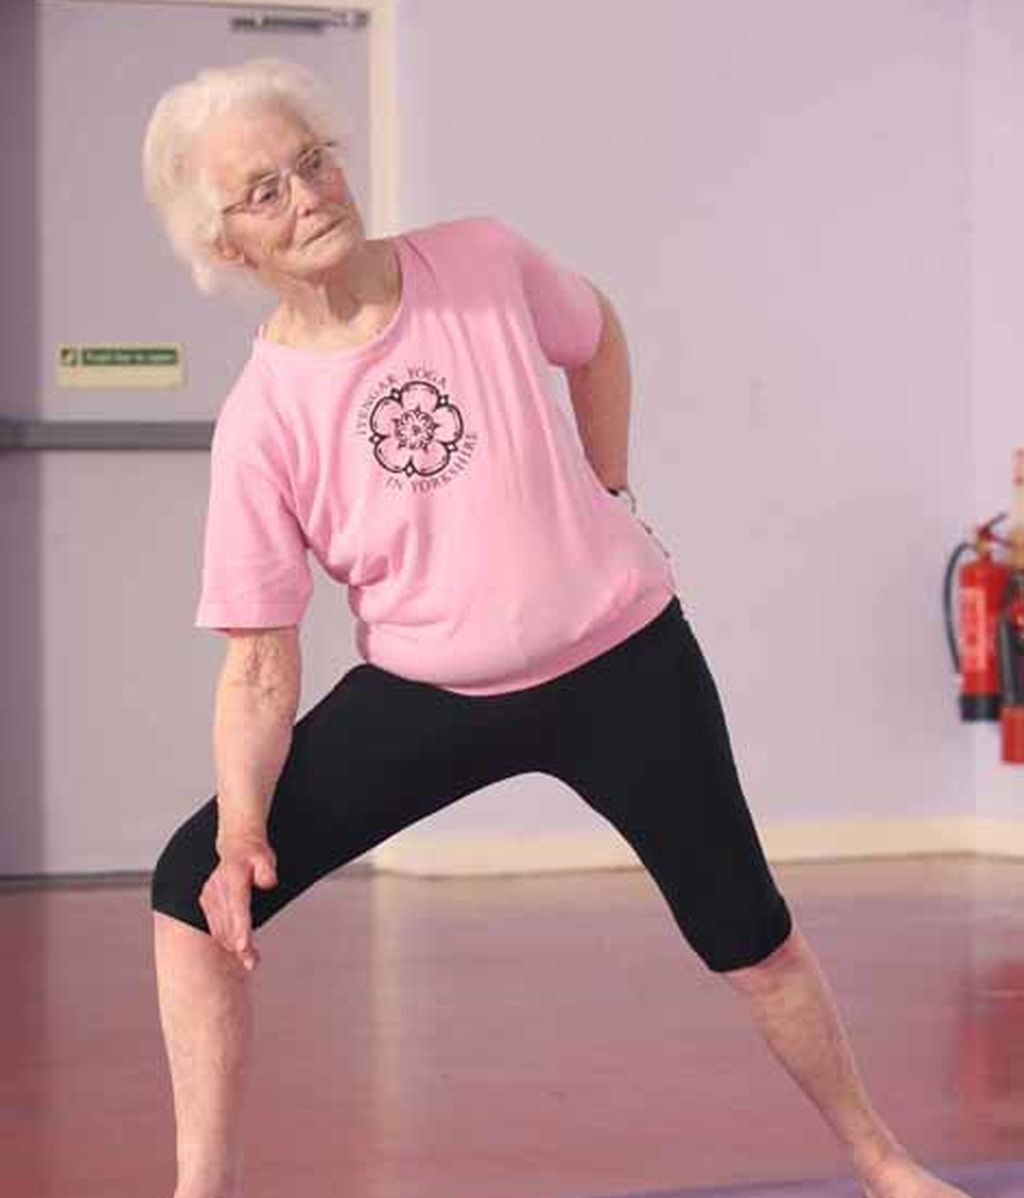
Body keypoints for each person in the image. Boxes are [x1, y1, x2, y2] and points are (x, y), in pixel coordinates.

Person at [143, 57, 971, 1198]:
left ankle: (881, 1160)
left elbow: (595, 333)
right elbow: (256, 660)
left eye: (314, 160)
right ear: (230, 248)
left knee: (749, 932)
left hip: (620, 661)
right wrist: (244, 828)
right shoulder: (262, 422)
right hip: (429, 693)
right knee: (193, 887)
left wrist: (609, 484)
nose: (310, 194)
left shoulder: (479, 260)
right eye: (266, 190)